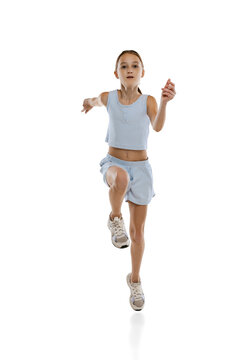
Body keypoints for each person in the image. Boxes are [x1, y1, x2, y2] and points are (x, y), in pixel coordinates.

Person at [81, 50, 176, 311]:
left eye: (135, 65)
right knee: (119, 178)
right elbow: (93, 100)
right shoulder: (109, 97)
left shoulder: (148, 101)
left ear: (142, 72)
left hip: (142, 169)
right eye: (124, 66)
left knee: (137, 234)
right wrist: (88, 102)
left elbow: (157, 126)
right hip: (114, 164)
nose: (130, 69)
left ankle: (134, 280)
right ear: (117, 73)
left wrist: (165, 102)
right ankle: (114, 218)